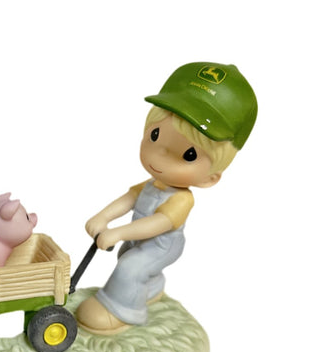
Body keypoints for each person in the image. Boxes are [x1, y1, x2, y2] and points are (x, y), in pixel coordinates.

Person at [76, 62, 257, 335]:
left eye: (188, 155)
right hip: (141, 239)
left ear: (210, 178)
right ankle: (150, 288)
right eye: (155, 135)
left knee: (129, 268)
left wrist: (118, 232)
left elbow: (158, 224)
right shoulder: (153, 184)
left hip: (162, 245)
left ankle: (122, 311)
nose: (159, 156)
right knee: (127, 255)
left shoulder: (182, 200)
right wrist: (103, 217)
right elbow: (129, 198)